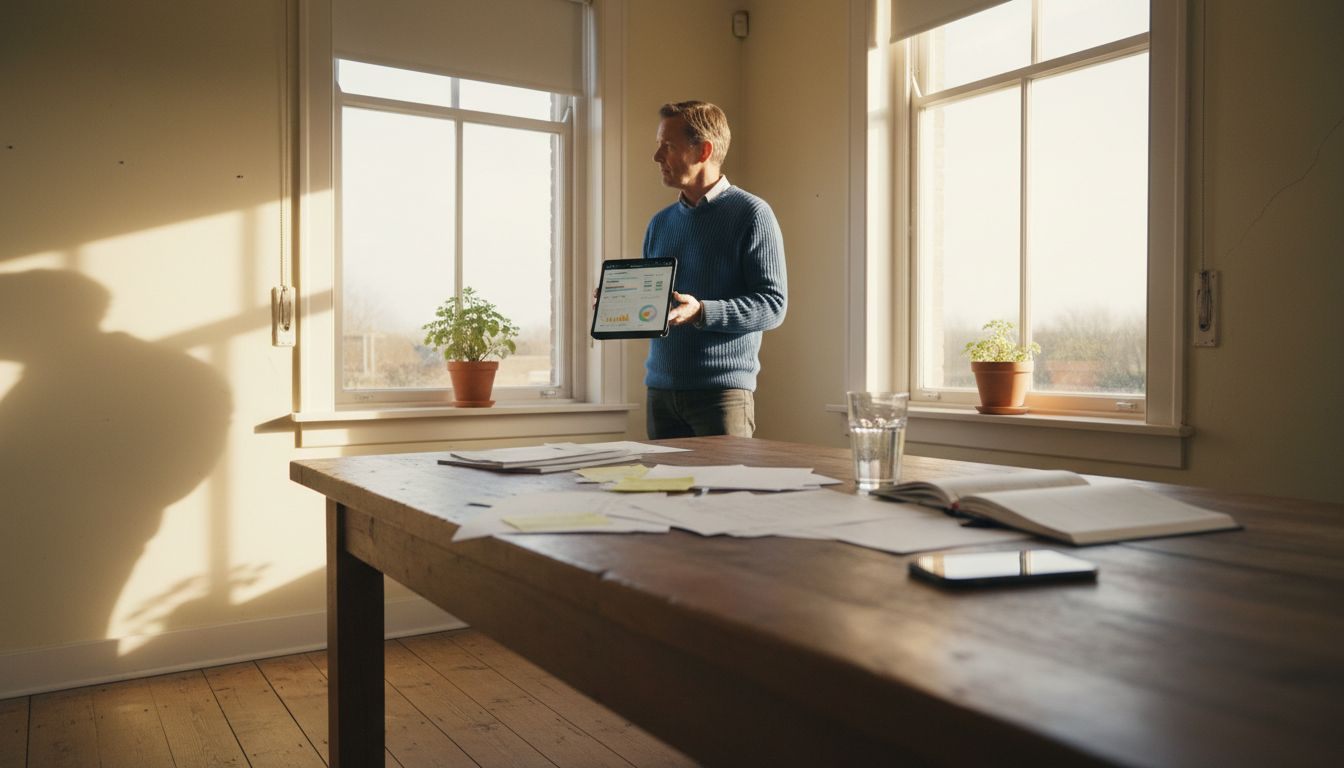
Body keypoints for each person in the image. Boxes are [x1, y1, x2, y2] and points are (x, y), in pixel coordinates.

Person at [642, 100, 787, 439]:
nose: (657, 156)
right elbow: (657, 306)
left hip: (721, 397)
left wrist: (702, 312)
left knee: (726, 492)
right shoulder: (659, 223)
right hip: (659, 394)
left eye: (668, 146)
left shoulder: (752, 214)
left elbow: (773, 305)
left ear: (703, 150)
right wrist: (620, 302)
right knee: (660, 494)